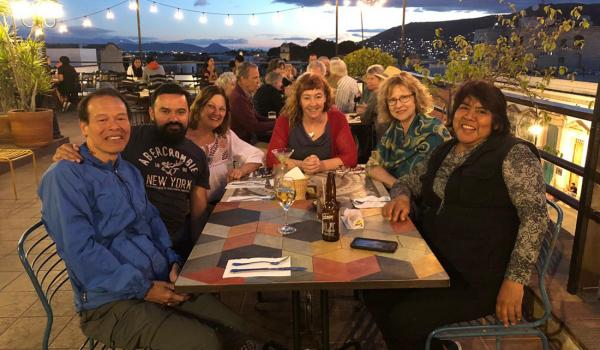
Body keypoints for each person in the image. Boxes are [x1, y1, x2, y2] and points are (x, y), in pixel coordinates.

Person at [40, 88, 265, 350]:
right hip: (110, 301)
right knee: (204, 342)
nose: (114, 126)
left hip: (157, 276)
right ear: (84, 127)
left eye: (121, 118)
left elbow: (151, 221)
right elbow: (81, 252)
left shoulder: (127, 169)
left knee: (239, 329)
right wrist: (144, 289)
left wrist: (171, 260)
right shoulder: (65, 177)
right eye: (102, 119)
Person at [363, 80, 548, 350]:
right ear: (453, 113)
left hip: (478, 278)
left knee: (405, 320)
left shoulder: (513, 154)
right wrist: (401, 196)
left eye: (482, 111)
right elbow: (408, 181)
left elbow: (535, 219)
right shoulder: (446, 150)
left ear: (496, 122)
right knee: (373, 289)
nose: (470, 116)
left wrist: (514, 282)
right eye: (464, 108)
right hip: (434, 263)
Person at [53, 83, 210, 259]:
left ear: (189, 114)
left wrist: (198, 251)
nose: (173, 118)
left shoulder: (197, 155)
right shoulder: (129, 137)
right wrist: (70, 150)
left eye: (180, 112)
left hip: (173, 243)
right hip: (133, 242)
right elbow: (97, 148)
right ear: (151, 113)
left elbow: (198, 211)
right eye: (165, 111)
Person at [366, 72, 451, 188]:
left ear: (416, 98)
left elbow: (420, 183)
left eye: (404, 98)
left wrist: (393, 184)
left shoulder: (433, 131)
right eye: (392, 100)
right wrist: (398, 186)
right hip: (397, 196)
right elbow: (372, 165)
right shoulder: (395, 128)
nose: (398, 105)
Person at [266, 73, 357, 174]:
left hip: (329, 184)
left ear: (325, 97)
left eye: (318, 97)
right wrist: (302, 165)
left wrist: (321, 166)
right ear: (299, 100)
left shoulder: (337, 118)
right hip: (292, 183)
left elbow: (351, 157)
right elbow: (272, 159)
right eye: (306, 98)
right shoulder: (285, 119)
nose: (313, 103)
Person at [187, 85, 264, 203]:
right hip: (188, 210)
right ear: (199, 107)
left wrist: (240, 170)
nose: (216, 113)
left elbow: (257, 155)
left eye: (222, 109)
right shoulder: (183, 138)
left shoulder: (225, 136)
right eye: (211, 106)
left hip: (221, 204)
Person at [230, 62, 275, 144]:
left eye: (258, 77)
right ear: (243, 79)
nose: (258, 81)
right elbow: (254, 126)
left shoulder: (243, 94)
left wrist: (278, 121)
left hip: (248, 141)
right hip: (243, 145)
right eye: (255, 78)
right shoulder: (238, 98)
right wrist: (277, 123)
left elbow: (258, 117)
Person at [356, 64, 387, 141]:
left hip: (381, 133)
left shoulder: (376, 94)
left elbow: (365, 118)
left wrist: (365, 111)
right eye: (367, 78)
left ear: (380, 79)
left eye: (372, 78)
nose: (368, 81)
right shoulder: (386, 90)